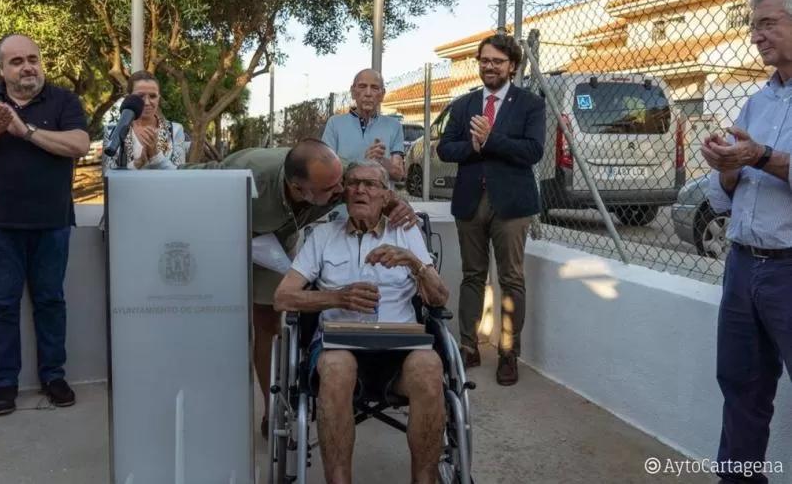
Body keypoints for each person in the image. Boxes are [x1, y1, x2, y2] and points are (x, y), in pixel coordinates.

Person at [181, 138, 417, 438]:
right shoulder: (250, 173)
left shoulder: (337, 173)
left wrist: (398, 205)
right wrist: (148, 170)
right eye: (331, 189)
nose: (342, 191)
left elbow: (372, 189)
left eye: (341, 182)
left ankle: (272, 408)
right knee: (214, 317)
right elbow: (191, 178)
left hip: (274, 243)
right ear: (298, 188)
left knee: (267, 323)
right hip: (225, 233)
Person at [274, 160, 449, 484]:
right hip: (338, 346)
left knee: (429, 368)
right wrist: (337, 298)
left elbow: (439, 298)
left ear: (387, 196)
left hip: (401, 349)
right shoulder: (323, 236)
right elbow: (282, 298)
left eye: (370, 184)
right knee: (336, 368)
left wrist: (415, 264)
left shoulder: (406, 233)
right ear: (343, 194)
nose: (360, 190)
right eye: (353, 183)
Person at [0, 34, 89, 415]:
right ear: (1, 69)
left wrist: (24, 130)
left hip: (52, 222)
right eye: (17, 61)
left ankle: (53, 377)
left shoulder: (63, 100)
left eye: (33, 59)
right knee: (2, 306)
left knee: (51, 301)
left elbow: (79, 145)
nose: (28, 67)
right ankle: (4, 385)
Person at [702, 0, 792, 484]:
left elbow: (761, 158)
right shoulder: (756, 102)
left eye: (768, 24)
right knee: (740, 387)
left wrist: (759, 155)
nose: (756, 36)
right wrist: (727, 165)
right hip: (741, 265)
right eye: (753, 26)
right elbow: (724, 195)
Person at [436, 33, 545, 386]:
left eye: (497, 61)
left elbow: (533, 151)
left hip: (512, 204)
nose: (490, 67)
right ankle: (469, 347)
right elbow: (445, 149)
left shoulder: (530, 104)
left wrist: (491, 139)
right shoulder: (464, 104)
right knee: (472, 275)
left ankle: (508, 353)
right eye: (484, 60)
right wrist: (473, 145)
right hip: (470, 201)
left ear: (512, 66)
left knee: (511, 278)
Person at [321, 69, 405, 182]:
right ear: (353, 92)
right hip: (346, 193)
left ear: (382, 94)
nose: (368, 93)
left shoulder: (394, 126)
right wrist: (362, 164)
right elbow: (325, 169)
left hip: (378, 193)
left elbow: (398, 174)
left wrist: (381, 161)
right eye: (362, 86)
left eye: (375, 88)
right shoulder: (335, 123)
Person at [103, 70, 187, 170]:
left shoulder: (174, 130)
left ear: (159, 98)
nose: (147, 102)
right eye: (140, 96)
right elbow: (108, 175)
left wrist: (156, 156)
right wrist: (136, 164)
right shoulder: (112, 132)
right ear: (128, 97)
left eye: (153, 96)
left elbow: (179, 174)